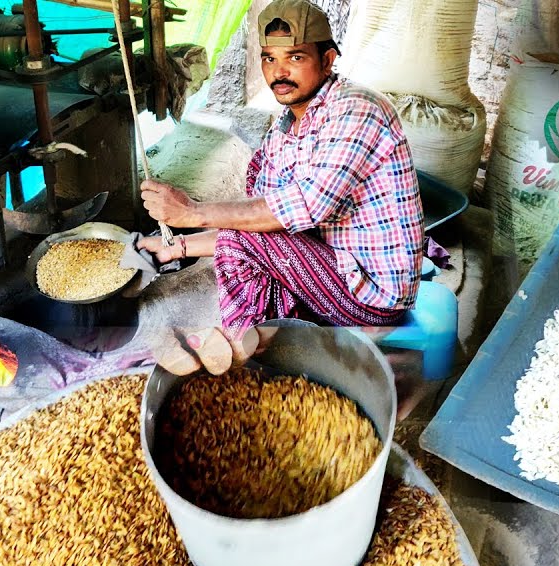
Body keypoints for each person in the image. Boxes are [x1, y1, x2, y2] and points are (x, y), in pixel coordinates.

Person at [136, 0, 436, 331]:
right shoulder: (287, 124)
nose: (279, 72)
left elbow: (305, 206)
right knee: (255, 196)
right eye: (269, 58)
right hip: (327, 262)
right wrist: (176, 247)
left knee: (245, 241)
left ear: (327, 61)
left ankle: (253, 349)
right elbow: (261, 220)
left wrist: (192, 212)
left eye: (295, 57)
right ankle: (281, 329)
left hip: (371, 294)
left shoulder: (357, 110)